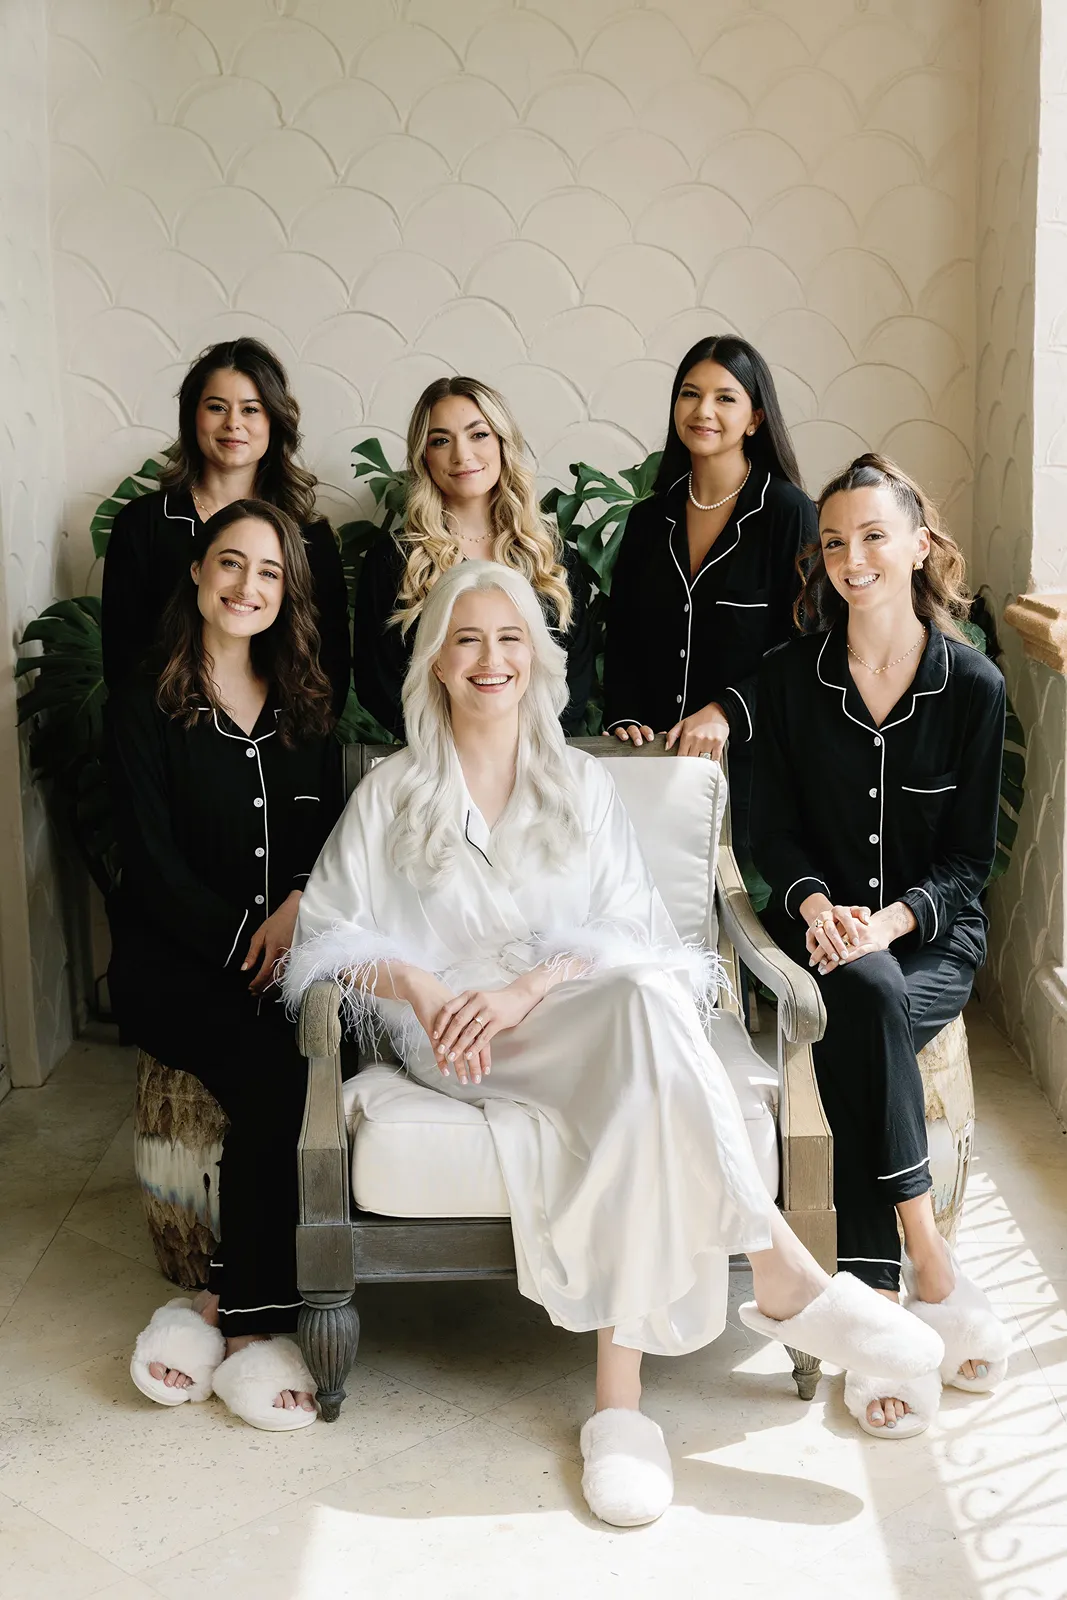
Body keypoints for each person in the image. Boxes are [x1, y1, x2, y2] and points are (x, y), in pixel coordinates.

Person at [282, 560, 942, 1525]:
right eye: (466, 640)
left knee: (639, 1020)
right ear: (434, 663)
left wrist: (531, 985)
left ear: (537, 662)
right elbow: (328, 939)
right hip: (454, 1038)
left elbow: (636, 942)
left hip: (572, 1013)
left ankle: (622, 1410)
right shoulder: (392, 793)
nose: (489, 659)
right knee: (642, 1025)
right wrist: (424, 989)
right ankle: (779, 1277)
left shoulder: (581, 784)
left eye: (509, 639)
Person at [751, 452, 1011, 1441]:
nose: (850, 556)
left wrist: (892, 918)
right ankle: (923, 1259)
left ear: (917, 544)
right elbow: (768, 834)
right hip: (818, 928)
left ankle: (874, 1298)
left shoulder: (974, 686)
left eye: (871, 535)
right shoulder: (784, 681)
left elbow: (964, 860)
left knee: (873, 999)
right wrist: (817, 906)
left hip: (926, 933)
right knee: (862, 991)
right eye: (832, 541)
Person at [112, 500, 343, 1431]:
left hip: (282, 954)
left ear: (286, 594)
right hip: (175, 966)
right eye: (231, 565)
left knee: (321, 1063)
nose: (248, 587)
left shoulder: (305, 704)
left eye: (270, 574)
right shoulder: (143, 703)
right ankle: (250, 1332)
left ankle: (213, 1302)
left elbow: (324, 838)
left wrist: (291, 910)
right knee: (271, 1076)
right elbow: (150, 863)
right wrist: (238, 941)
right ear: (200, 574)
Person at [602, 335, 816, 864]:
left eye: (725, 397)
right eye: (690, 394)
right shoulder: (649, 520)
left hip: (753, 775)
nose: (703, 411)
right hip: (651, 766)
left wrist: (726, 709)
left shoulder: (788, 513)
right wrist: (624, 716)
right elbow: (624, 635)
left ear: (755, 419)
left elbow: (808, 646)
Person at [102, 337, 351, 716]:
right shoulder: (143, 524)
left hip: (278, 740)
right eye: (216, 407)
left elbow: (328, 663)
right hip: (167, 736)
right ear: (192, 417)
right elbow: (122, 659)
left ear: (273, 421)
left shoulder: (308, 538)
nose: (233, 423)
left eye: (251, 409)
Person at [353, 375, 594, 739]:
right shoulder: (395, 560)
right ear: (424, 457)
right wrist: (454, 746)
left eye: (478, 434)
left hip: (541, 757)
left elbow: (577, 670)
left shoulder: (551, 555)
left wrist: (530, 745)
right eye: (441, 441)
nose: (462, 455)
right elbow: (378, 680)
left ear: (502, 443)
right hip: (435, 761)